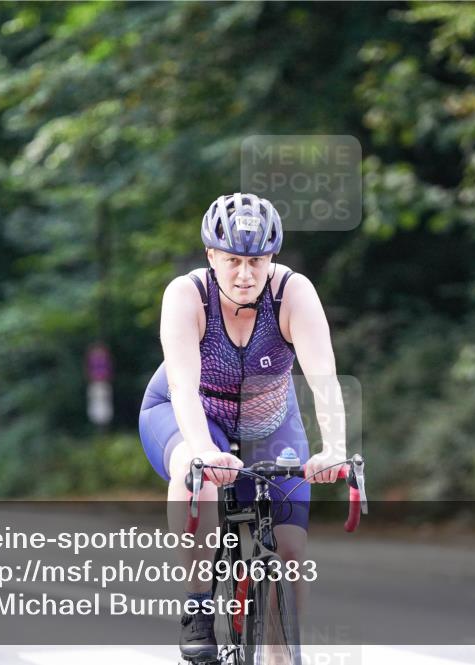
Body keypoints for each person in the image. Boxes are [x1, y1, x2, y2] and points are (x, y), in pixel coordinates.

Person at [138, 193, 347, 662]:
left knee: (291, 547)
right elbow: (184, 387)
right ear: (211, 256)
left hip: (268, 416)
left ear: (272, 258)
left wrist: (333, 447)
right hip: (185, 411)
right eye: (232, 260)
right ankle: (197, 606)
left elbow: (324, 380)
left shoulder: (293, 293)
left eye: (256, 261)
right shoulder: (186, 296)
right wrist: (202, 453)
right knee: (196, 477)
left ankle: (281, 655)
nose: (245, 274)